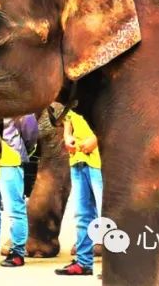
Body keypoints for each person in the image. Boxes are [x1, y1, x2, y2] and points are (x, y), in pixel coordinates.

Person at [0, 114, 39, 267]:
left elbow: (30, 132)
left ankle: (17, 252)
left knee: (15, 208)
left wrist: (20, 152)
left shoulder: (16, 101)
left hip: (10, 161)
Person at [55, 109, 102, 277]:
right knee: (83, 214)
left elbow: (118, 117)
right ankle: (83, 262)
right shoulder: (77, 89)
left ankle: (116, 265)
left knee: (109, 215)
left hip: (101, 160)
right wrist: (67, 136)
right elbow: (68, 116)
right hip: (77, 158)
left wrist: (97, 139)